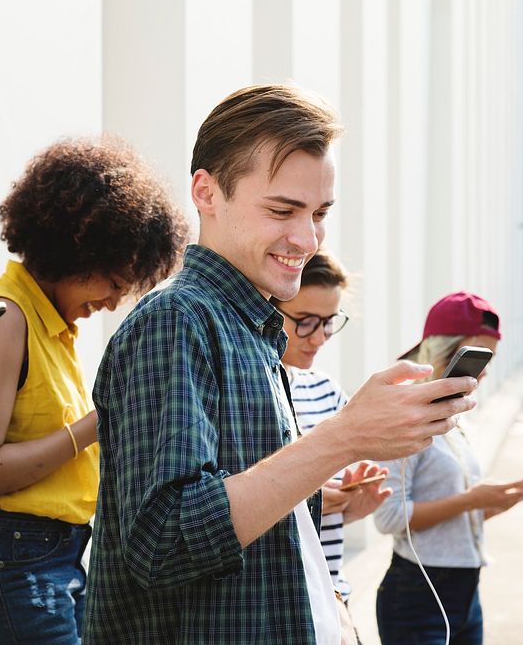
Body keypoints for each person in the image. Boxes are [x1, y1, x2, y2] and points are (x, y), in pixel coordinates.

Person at [83, 84, 480, 645]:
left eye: (320, 213)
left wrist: (332, 602)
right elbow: (164, 544)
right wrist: (345, 437)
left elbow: (272, 540)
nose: (308, 238)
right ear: (206, 191)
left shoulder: (253, 329)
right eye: (282, 210)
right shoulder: (177, 319)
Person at [0, 137, 189, 644]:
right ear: (78, 248)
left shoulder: (49, 326)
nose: (115, 301)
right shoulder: (5, 318)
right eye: (114, 282)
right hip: (11, 557)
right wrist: (96, 424)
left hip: (49, 557)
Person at [374, 292, 523, 645]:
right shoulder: (403, 424)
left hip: (466, 594)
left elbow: (449, 512)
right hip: (417, 596)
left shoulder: (456, 422)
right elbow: (388, 519)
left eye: (491, 358)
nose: (485, 370)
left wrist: (490, 504)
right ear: (441, 352)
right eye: (477, 357)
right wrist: (470, 501)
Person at [276, 249, 390, 608]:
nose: (320, 336)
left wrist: (353, 506)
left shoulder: (327, 390)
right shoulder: (249, 392)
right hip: (281, 601)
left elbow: (328, 516)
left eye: (328, 321)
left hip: (332, 592)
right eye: (305, 320)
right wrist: (314, 500)